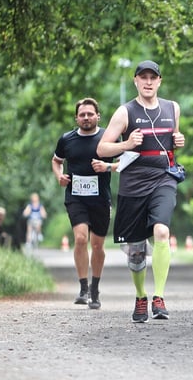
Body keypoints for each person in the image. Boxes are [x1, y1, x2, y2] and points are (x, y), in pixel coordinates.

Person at [97, 60, 185, 323]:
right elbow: (102, 149)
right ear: (135, 81)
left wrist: (179, 140)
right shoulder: (125, 112)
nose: (148, 82)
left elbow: (172, 143)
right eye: (143, 77)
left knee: (161, 231)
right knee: (136, 251)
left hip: (163, 178)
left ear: (159, 81)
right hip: (133, 184)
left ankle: (159, 296)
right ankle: (140, 296)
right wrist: (126, 144)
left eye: (153, 77)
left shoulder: (172, 108)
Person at [52, 97, 117, 310]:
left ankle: (95, 288)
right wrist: (59, 176)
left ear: (98, 116)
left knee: (97, 245)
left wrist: (107, 167)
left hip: (100, 198)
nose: (86, 118)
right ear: (76, 118)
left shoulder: (108, 138)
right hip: (76, 197)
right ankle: (83, 288)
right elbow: (56, 160)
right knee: (80, 239)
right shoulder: (67, 139)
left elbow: (127, 160)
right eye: (82, 114)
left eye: (90, 114)